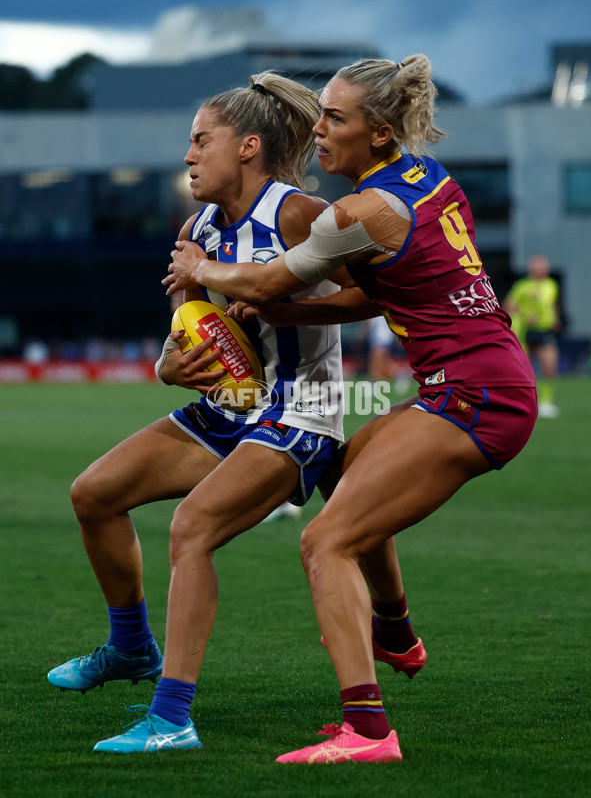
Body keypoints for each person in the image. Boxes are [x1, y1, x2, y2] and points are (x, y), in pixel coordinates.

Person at [164, 54, 537, 764]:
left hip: (476, 396)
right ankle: (394, 629)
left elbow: (270, 273)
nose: (320, 129)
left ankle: (368, 731)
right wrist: (278, 306)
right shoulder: (419, 177)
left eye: (337, 117)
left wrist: (199, 270)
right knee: (343, 464)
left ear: (381, 131)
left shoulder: (359, 211)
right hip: (478, 381)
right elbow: (375, 296)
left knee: (324, 541)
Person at [47, 70, 424, 754]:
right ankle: (131, 647)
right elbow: (183, 334)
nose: (188, 155)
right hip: (230, 413)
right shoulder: (197, 228)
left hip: (301, 414)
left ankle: (172, 718)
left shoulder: (298, 214)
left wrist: (285, 306)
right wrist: (171, 366)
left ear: (247, 147)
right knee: (94, 493)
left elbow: (378, 296)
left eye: (200, 140)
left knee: (191, 528)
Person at [503, 253, 561, 418]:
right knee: (521, 369)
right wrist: (526, 315)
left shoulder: (551, 285)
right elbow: (508, 306)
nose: (540, 268)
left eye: (543, 265)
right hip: (525, 331)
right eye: (537, 265)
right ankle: (520, 401)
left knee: (549, 366)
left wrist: (555, 318)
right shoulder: (522, 286)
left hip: (544, 330)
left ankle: (546, 402)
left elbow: (553, 304)